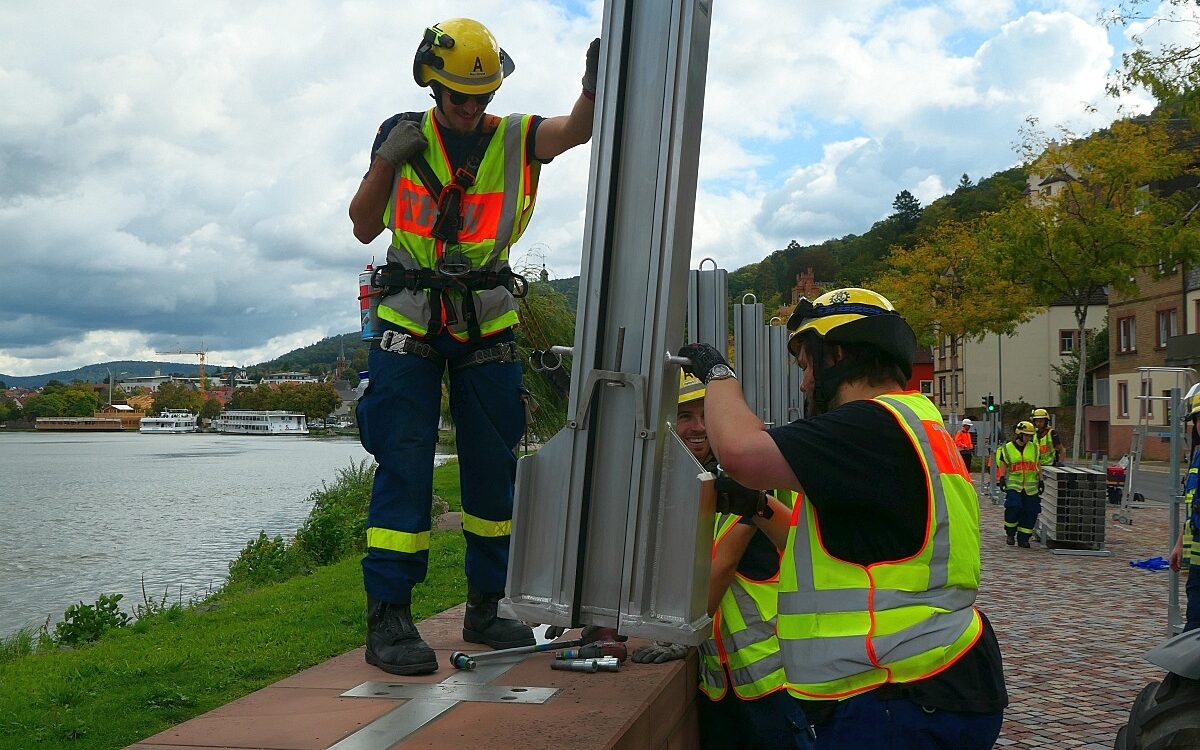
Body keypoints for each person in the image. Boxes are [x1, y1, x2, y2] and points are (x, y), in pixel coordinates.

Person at [348, 18, 599, 676]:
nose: (470, 108)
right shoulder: (401, 134)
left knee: (495, 468)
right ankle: (390, 618)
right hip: (409, 317)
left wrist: (593, 92)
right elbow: (362, 225)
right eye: (459, 96)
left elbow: (574, 132)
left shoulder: (513, 137)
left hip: (486, 318)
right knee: (404, 463)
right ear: (432, 85)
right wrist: (385, 162)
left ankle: (486, 607)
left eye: (481, 97)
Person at [676, 288, 1007, 749]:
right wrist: (757, 505)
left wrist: (718, 373)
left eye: (807, 366)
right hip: (929, 685)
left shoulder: (873, 424)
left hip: (900, 697)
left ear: (837, 354)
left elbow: (739, 453)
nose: (804, 383)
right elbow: (834, 548)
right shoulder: (912, 423)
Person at [631, 374, 813, 750]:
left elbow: (719, 568)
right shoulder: (680, 485)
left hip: (773, 681)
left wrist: (678, 636)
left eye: (705, 415)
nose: (698, 427)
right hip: (720, 681)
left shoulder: (743, 479)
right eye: (685, 415)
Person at [1168, 395, 1200, 630]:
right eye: (1199, 419)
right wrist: (1179, 544)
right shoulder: (1198, 456)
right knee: (1195, 622)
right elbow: (1193, 508)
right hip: (1197, 564)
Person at [997, 420, 1043, 548]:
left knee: (1031, 511)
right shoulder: (1008, 448)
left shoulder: (1034, 448)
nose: (1028, 438)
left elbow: (1038, 464)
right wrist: (1001, 477)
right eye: (1026, 435)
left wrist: (1041, 480)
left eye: (1030, 435)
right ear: (1019, 434)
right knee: (1014, 506)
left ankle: (1024, 538)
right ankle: (1010, 533)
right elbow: (1003, 463)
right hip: (1014, 485)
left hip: (1031, 487)